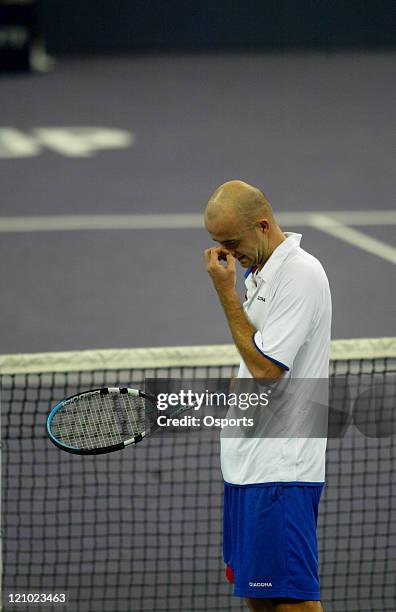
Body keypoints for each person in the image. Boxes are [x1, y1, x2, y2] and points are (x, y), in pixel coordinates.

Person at [203, 180, 332, 612]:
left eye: (231, 243)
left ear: (262, 225)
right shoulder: (261, 273)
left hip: (280, 471)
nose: (225, 254)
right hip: (248, 469)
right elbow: (253, 369)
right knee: (261, 601)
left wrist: (224, 293)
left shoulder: (299, 274)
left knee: (293, 604)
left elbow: (266, 369)